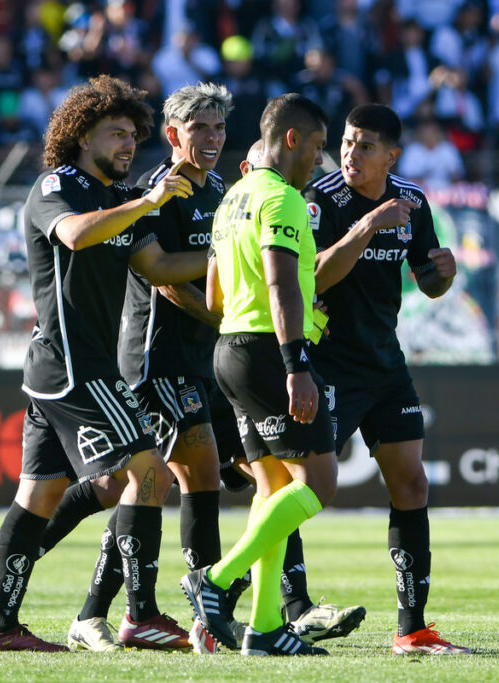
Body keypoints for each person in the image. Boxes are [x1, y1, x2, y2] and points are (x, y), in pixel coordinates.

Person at [0, 75, 207, 653]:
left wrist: (233, 248)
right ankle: (141, 615)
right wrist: (149, 201)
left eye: (133, 135)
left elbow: (158, 267)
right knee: (148, 470)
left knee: (42, 496)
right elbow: (74, 236)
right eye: (116, 133)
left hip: (72, 368)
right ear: (81, 135)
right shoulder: (60, 185)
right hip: (76, 367)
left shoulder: (115, 199)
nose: (128, 145)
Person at [303, 103, 470, 655]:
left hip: (384, 364)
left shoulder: (413, 202)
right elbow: (311, 277)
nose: (351, 153)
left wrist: (443, 275)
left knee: (412, 484)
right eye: (347, 142)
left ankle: (412, 627)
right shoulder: (321, 199)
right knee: (299, 492)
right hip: (325, 365)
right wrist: (367, 225)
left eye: (365, 146)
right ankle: (281, 610)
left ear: (391, 156)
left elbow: (428, 283)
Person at [181, 93, 337, 657]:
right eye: (318, 147)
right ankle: (216, 580)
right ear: (291, 139)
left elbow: (215, 294)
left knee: (272, 487)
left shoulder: (232, 198)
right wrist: (297, 362)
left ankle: (266, 626)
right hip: (271, 351)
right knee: (316, 484)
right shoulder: (282, 199)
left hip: (229, 348)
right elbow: (279, 284)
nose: (320, 161)